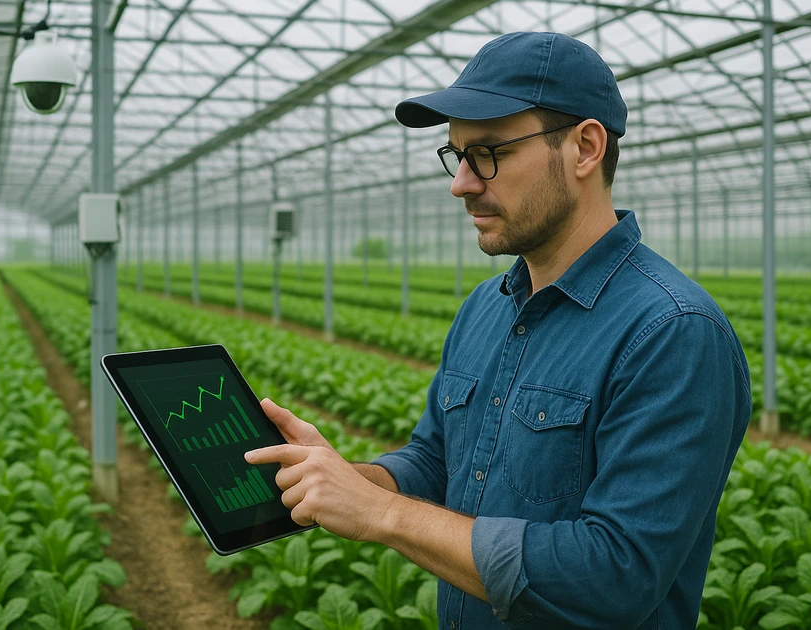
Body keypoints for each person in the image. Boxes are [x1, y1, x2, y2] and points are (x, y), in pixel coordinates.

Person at [245, 31, 751, 629]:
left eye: (488, 153)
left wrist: (381, 513)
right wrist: (344, 479)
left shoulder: (672, 332)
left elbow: (617, 576)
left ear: (585, 148)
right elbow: (437, 463)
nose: (461, 182)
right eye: (456, 155)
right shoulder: (487, 306)